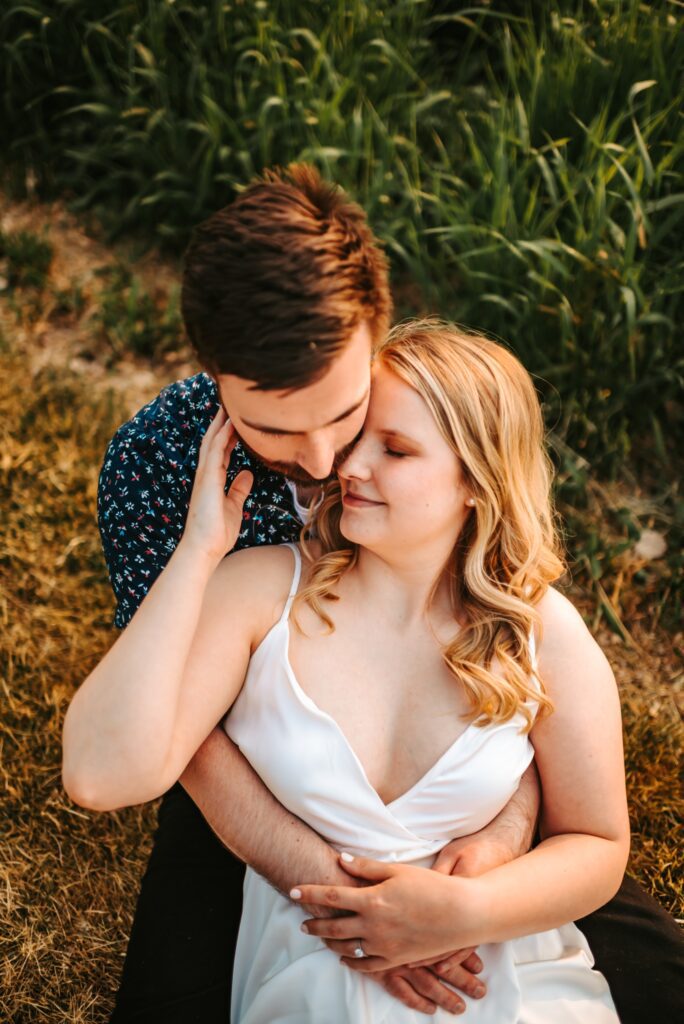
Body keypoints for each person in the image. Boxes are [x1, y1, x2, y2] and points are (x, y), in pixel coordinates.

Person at [93, 167, 684, 1023]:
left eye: (350, 416)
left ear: (375, 336)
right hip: (251, 778)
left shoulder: (423, 408)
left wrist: (501, 830)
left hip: (456, 793)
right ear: (216, 374)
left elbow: (520, 686)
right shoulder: (158, 464)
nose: (331, 463)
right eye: (278, 427)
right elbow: (179, 734)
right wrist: (340, 893)